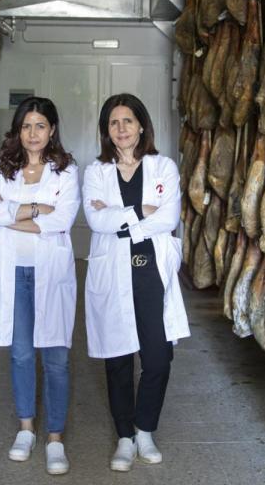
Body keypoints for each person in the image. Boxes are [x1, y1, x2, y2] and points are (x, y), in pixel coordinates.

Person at [82, 93, 190, 472]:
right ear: (106, 131)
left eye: (128, 121)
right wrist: (142, 212)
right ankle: (125, 437)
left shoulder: (163, 167)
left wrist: (120, 217)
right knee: (118, 359)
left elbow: (169, 217)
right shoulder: (96, 172)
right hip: (112, 271)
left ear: (141, 125)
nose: (122, 129)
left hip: (151, 272)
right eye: (114, 123)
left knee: (158, 358)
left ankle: (146, 429)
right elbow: (96, 222)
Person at [0, 96, 80, 475]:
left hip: (49, 270)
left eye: (40, 126)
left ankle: (54, 438)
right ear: (17, 131)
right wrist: (38, 209)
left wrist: (13, 212)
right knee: (20, 352)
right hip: (12, 269)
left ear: (51, 129)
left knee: (56, 356)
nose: (33, 134)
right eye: (26, 126)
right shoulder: (1, 168)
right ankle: (25, 429)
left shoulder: (66, 171)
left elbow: (63, 220)